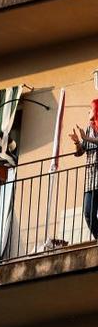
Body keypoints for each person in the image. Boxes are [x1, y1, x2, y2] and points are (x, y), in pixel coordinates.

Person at [71, 98, 98, 239]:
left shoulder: (88, 134)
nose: (88, 112)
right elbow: (80, 152)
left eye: (90, 109)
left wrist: (86, 138)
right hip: (91, 180)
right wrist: (77, 142)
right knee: (88, 213)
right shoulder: (88, 129)